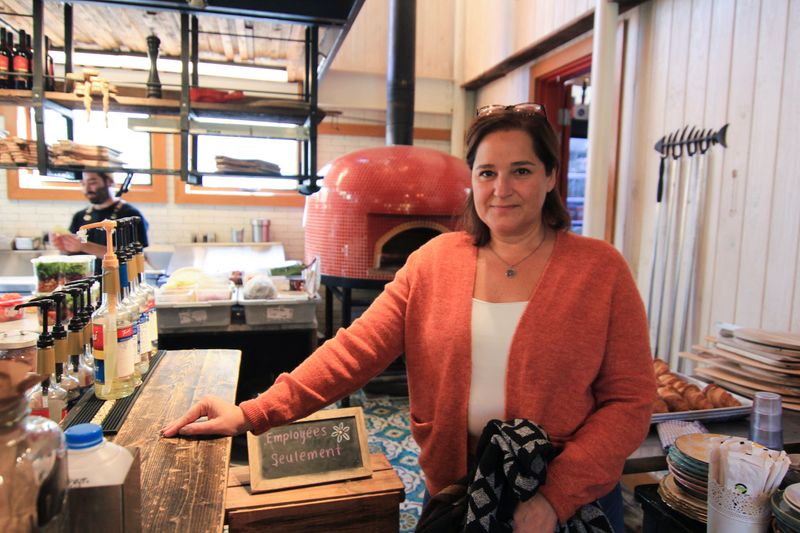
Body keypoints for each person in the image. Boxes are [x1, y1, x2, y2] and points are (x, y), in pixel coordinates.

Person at [162, 103, 655, 532]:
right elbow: (355, 350)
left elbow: (630, 401)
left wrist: (554, 498)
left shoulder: (600, 270)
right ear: (472, 181)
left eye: (521, 170)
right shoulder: (434, 262)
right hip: (458, 493)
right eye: (487, 173)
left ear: (551, 176)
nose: (501, 189)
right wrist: (254, 411)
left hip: (566, 503)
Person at [51, 171, 149, 270]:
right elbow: (72, 254)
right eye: (83, 184)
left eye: (92, 183)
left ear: (109, 181)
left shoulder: (130, 215)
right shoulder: (80, 216)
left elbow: (135, 256)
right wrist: (63, 246)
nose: (87, 189)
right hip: (87, 281)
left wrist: (85, 246)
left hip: (119, 281)